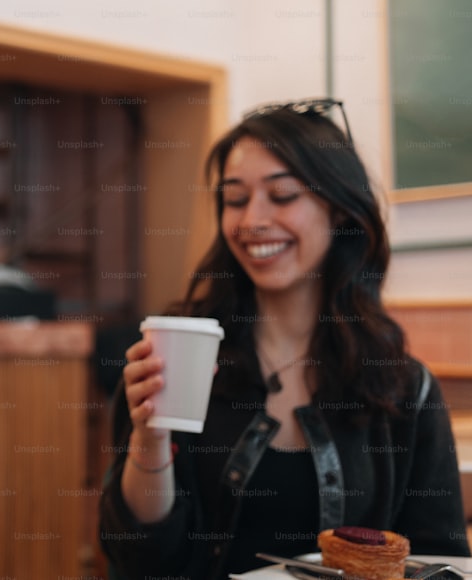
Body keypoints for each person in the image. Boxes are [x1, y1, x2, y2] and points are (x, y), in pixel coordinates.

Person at [99, 98, 470, 578]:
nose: (252, 219)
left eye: (283, 195)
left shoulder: (404, 387)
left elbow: (440, 560)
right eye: (234, 199)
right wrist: (150, 442)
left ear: (338, 210)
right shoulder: (180, 358)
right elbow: (139, 560)